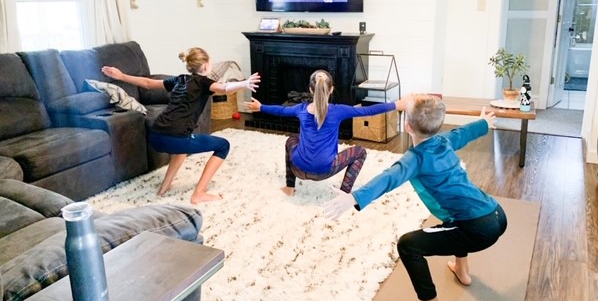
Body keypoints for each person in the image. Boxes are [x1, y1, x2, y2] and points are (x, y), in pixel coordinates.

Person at [323, 94, 507, 301]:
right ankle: (462, 269)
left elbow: (389, 177)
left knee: (408, 245)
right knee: (452, 222)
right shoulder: (444, 141)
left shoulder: (415, 158)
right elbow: (463, 133)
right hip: (497, 215)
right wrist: (483, 123)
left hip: (478, 228)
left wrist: (354, 197)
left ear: (407, 126)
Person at [101, 47, 260, 204]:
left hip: (155, 135)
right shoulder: (204, 82)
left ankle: (164, 188)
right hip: (175, 138)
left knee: (181, 150)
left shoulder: (180, 79)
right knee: (223, 145)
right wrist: (244, 83)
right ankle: (199, 193)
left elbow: (148, 84)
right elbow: (224, 88)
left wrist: (121, 76)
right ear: (205, 65)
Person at [243, 69, 406, 196]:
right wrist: (397, 104)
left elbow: (281, 110)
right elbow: (369, 110)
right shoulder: (338, 111)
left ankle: (290, 187)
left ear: (310, 90)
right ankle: (344, 193)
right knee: (360, 152)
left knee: (291, 140)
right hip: (324, 171)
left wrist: (260, 107)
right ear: (332, 89)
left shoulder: (300, 109)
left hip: (298, 168)